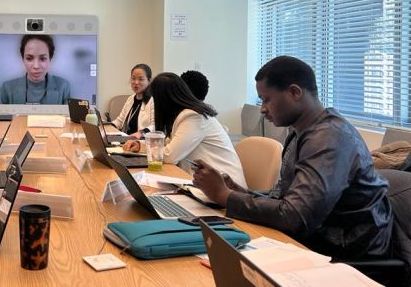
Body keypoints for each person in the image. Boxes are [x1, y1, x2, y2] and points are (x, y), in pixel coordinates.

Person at [192, 56, 392, 260]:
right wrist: (240, 192)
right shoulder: (301, 131)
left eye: (266, 99)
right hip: (316, 241)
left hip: (347, 255)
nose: (262, 108)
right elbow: (288, 199)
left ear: (295, 92)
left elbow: (297, 216)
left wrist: (225, 196)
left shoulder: (328, 137)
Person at [123, 72, 246, 187]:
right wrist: (140, 145)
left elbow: (169, 155)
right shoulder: (182, 115)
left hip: (226, 188)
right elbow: (167, 144)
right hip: (203, 182)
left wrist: (147, 147)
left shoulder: (193, 116)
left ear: (164, 100)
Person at [0, 34, 71, 105]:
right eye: (29, 58)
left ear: (50, 59)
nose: (36, 66)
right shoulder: (7, 89)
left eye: (42, 59)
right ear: (23, 59)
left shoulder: (63, 87)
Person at [111, 63, 155, 137]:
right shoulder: (131, 98)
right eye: (133, 78)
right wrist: (107, 126)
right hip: (126, 139)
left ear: (149, 81)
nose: (136, 82)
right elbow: (120, 121)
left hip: (141, 141)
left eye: (140, 79)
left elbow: (154, 126)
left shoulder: (153, 100)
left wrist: (141, 133)